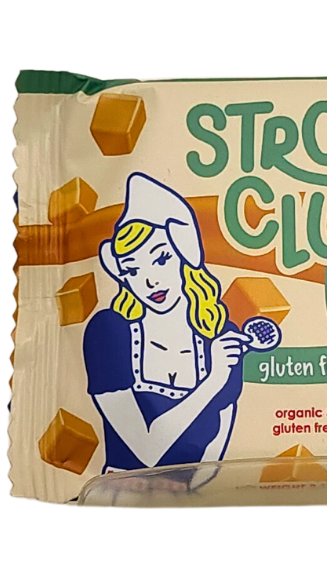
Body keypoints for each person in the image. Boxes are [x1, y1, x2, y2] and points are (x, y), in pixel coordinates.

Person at [84, 172, 249, 474]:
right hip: (122, 493)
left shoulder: (221, 337)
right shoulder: (109, 334)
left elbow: (216, 457)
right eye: (132, 270)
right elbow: (147, 449)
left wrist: (200, 491)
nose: (149, 281)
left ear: (185, 257)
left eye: (161, 259)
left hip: (204, 494)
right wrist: (213, 381)